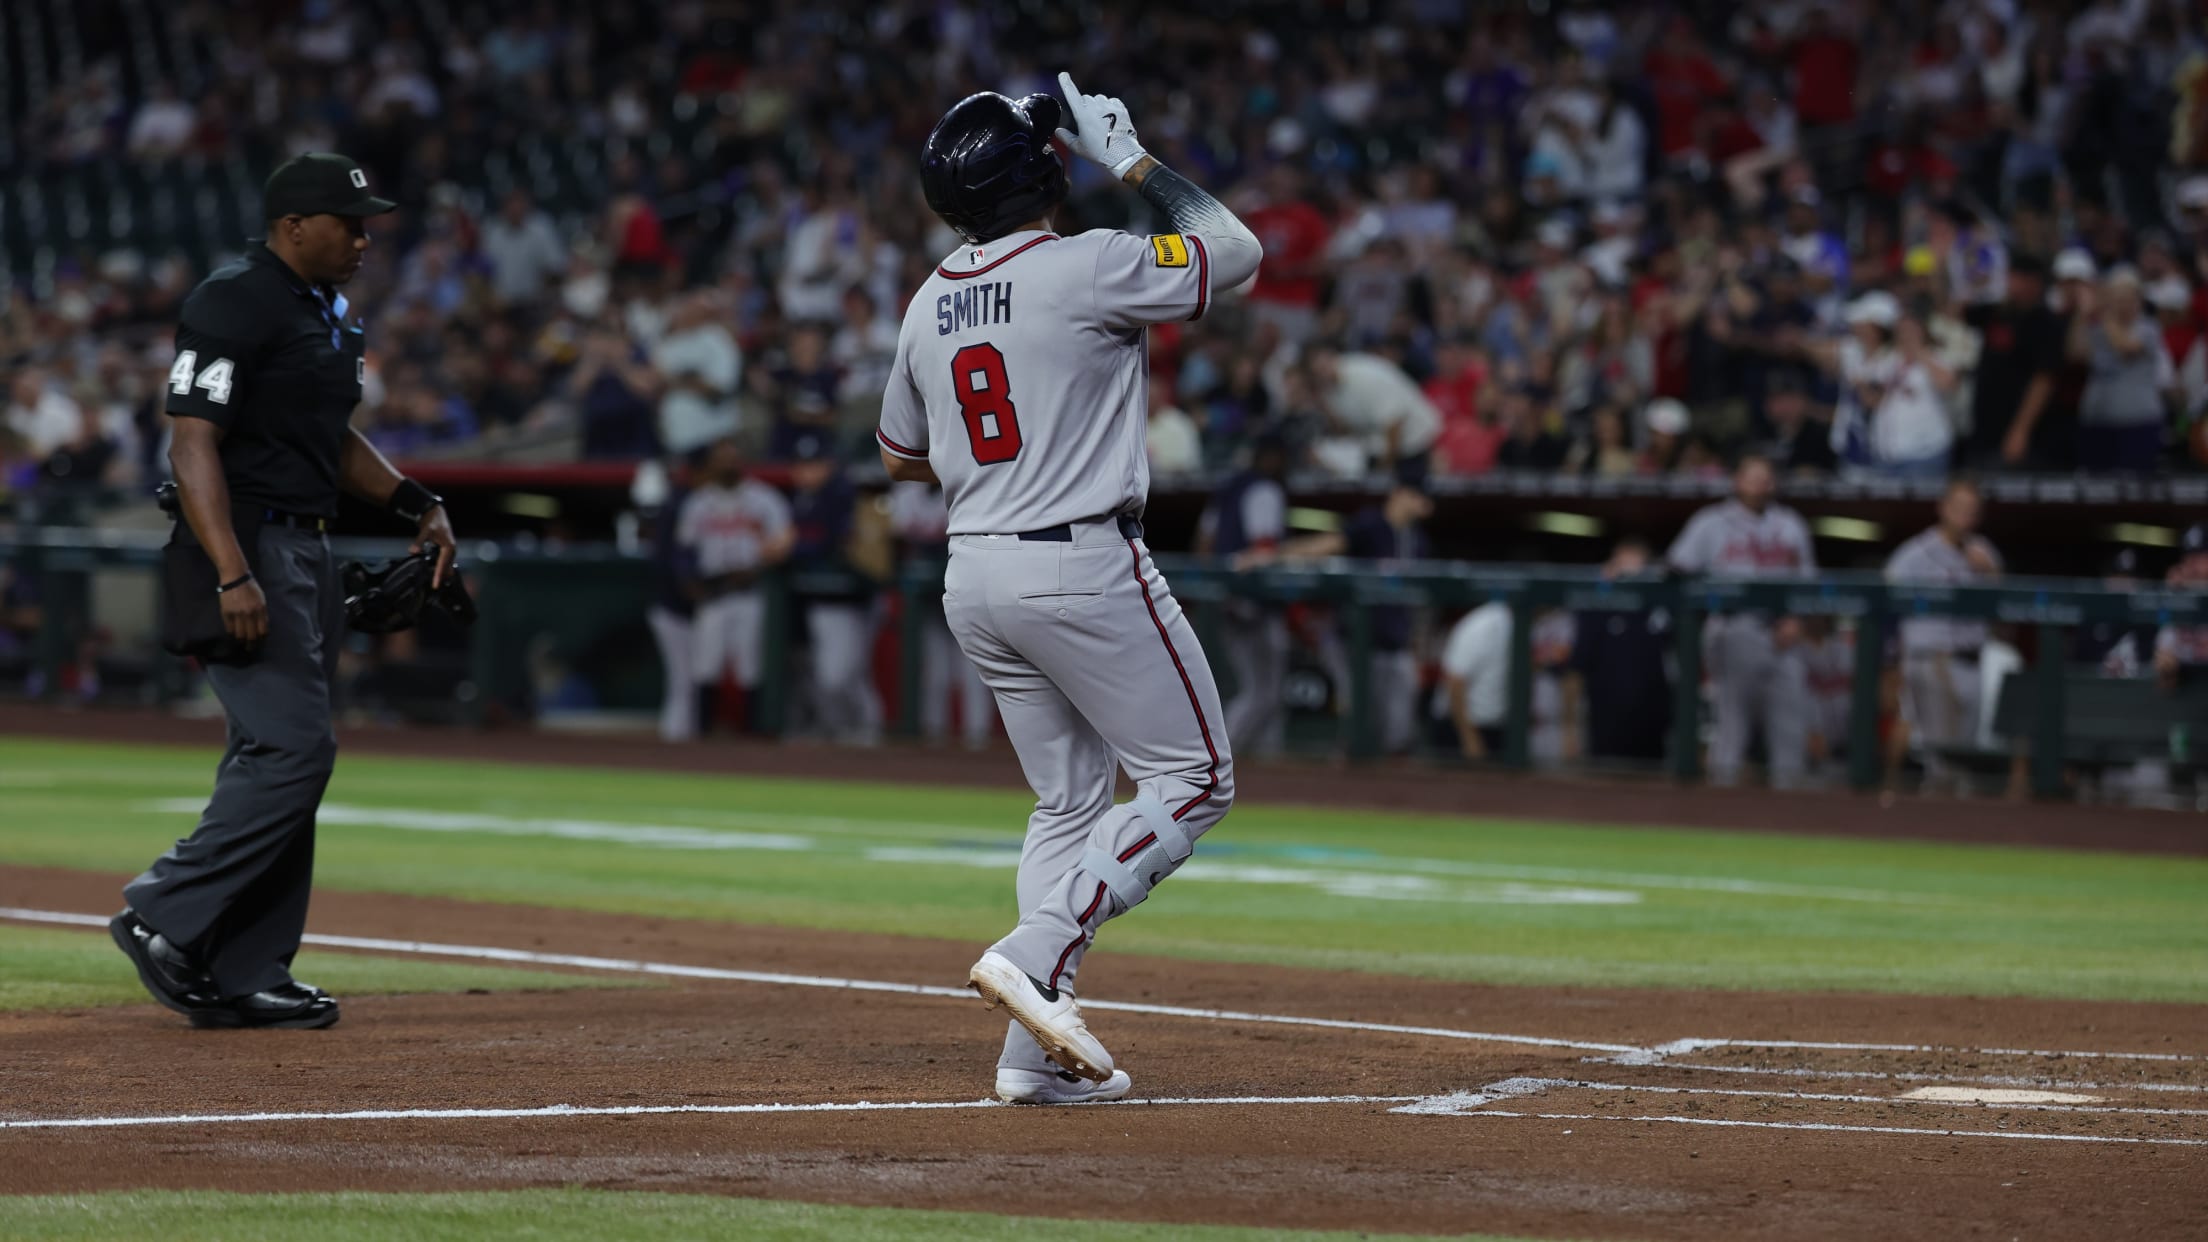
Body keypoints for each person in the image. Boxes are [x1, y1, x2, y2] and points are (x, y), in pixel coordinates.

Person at [876, 77, 1260, 1105]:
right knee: (1195, 780)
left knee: (1069, 798)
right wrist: (1130, 159)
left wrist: (1000, 454)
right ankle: (1038, 955)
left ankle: (1031, 1059)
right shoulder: (1085, 264)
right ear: (1044, 170)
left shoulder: (925, 299)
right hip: (1079, 557)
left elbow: (902, 455)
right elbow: (1236, 254)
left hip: (975, 567)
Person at [114, 154, 458, 1030]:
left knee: (276, 762)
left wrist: (417, 502)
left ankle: (248, 968)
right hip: (245, 544)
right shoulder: (234, 297)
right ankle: (163, 910)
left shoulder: (328, 313)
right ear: (292, 226)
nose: (364, 237)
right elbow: (191, 444)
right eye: (349, 222)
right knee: (294, 751)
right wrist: (232, 568)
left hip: (308, 548)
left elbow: (332, 438)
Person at [1666, 454, 1818, 788]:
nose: (1759, 485)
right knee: (1732, 725)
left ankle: (1790, 813)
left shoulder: (1791, 524)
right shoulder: (1711, 521)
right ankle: (1721, 811)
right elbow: (1677, 569)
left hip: (1785, 634)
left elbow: (1808, 583)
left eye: (1765, 478)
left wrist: (1797, 620)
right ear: (1737, 481)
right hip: (1734, 627)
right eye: (1752, 477)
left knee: (1790, 727)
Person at [1296, 470, 1432, 754]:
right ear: (1399, 494)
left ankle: (1383, 784)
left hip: (1394, 643)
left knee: (1397, 725)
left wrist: (1416, 641)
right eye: (1418, 497)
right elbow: (1332, 544)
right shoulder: (1371, 524)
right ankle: (1347, 778)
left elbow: (1419, 601)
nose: (1424, 505)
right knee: (1360, 714)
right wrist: (1281, 555)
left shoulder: (1418, 540)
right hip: (1353, 640)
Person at [1884, 479, 2003, 793]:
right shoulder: (1914, 553)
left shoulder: (1984, 553)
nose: (1965, 515)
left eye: (1972, 510)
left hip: (1973, 660)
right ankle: (1934, 824)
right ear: (1943, 508)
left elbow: (2005, 616)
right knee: (1944, 758)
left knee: (1962, 754)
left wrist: (1990, 575)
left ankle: (1942, 821)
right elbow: (1885, 601)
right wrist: (1892, 661)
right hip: (1932, 657)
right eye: (1959, 507)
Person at [678, 435, 794, 733]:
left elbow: (784, 542)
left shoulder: (764, 498)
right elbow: (685, 550)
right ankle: (702, 735)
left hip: (751, 592)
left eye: (733, 458)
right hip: (713, 592)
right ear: (712, 465)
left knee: (751, 666)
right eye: (721, 459)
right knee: (706, 665)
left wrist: (762, 567)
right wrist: (691, 583)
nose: (728, 464)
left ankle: (754, 736)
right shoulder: (699, 502)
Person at [1197, 434, 1292, 758]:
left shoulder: (1227, 488)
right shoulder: (1264, 489)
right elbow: (1263, 546)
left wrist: (1217, 583)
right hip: (1252, 601)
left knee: (1258, 691)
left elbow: (1204, 542)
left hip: (1226, 596)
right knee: (1262, 691)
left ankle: (1255, 759)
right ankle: (1219, 755)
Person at [785, 433, 881, 743]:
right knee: (834, 675)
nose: (806, 471)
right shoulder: (803, 498)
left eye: (814, 464)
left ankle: (863, 731)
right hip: (820, 601)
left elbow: (832, 543)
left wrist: (793, 547)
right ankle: (848, 734)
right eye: (802, 464)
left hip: (853, 599)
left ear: (830, 464)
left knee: (840, 676)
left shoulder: (843, 493)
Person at [887, 479, 996, 749]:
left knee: (973, 666)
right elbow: (898, 541)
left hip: (967, 587)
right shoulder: (906, 492)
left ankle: (977, 736)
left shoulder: (969, 483)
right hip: (926, 595)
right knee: (935, 668)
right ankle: (934, 734)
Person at [1562, 538, 1672, 765]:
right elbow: (1575, 672)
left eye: (1636, 568)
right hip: (1607, 724)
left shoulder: (1662, 611)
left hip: (1652, 723)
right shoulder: (1595, 610)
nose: (1628, 574)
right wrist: (1570, 730)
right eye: (1621, 566)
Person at [1962, 253, 2064, 469]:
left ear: (2034, 282)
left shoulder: (2045, 323)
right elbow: (1957, 310)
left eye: (2015, 278)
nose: (2009, 283)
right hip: (1983, 428)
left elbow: (2043, 380)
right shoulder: (1999, 313)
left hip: (2018, 433)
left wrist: (2020, 430)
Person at [2070, 268, 2172, 473]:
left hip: (2138, 423)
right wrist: (2082, 316)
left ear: (2139, 300)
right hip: (2098, 422)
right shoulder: (2099, 328)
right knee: (2095, 490)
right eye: (2116, 297)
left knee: (2135, 493)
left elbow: (2126, 348)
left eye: (2126, 297)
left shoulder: (2148, 328)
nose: (2121, 303)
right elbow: (2075, 353)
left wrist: (2104, 314)